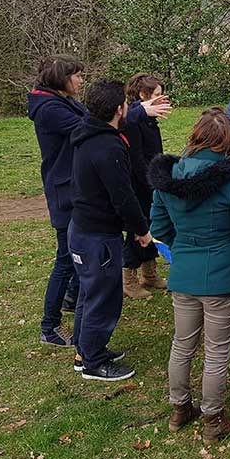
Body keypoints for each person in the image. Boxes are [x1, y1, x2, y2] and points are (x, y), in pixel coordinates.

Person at [148, 108, 230, 445]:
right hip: (221, 278)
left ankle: (179, 409)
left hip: (185, 275)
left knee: (182, 344)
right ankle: (212, 421)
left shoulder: (169, 178)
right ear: (228, 141)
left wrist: (184, 246)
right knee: (215, 351)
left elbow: (158, 226)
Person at [68, 80, 152, 381]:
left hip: (81, 229)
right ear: (118, 109)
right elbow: (123, 196)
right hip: (98, 237)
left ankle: (85, 350)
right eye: (127, 105)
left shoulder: (87, 133)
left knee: (89, 294)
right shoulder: (108, 147)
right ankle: (92, 362)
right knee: (103, 297)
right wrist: (142, 231)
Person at [28, 55, 88, 347]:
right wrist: (136, 112)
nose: (80, 80)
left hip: (72, 185)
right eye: (76, 75)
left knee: (77, 251)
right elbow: (89, 127)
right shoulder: (50, 109)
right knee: (66, 258)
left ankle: (72, 298)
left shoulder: (62, 100)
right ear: (61, 79)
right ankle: (49, 326)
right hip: (64, 191)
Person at [121, 73, 173, 299]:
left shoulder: (148, 119)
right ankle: (128, 279)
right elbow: (137, 159)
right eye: (158, 95)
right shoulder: (133, 121)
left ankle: (149, 273)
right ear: (143, 96)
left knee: (154, 225)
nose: (163, 99)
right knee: (138, 230)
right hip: (140, 185)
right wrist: (151, 183)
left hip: (152, 181)